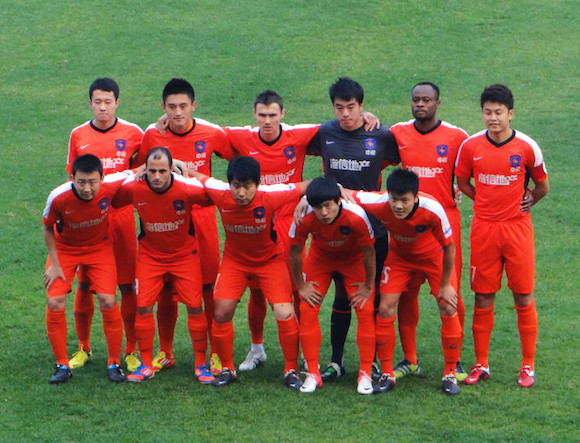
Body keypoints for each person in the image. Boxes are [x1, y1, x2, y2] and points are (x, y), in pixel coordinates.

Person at [224, 90, 380, 372]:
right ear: (254, 114)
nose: (267, 121)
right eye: (262, 115)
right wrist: (165, 122)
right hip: (257, 223)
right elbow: (202, 132)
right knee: (256, 291)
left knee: (299, 290)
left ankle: (301, 358)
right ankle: (257, 349)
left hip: (290, 222)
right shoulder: (240, 136)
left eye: (273, 115)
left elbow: (338, 124)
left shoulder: (299, 134)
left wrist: (363, 117)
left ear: (282, 114)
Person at [135, 78, 232, 375]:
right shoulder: (153, 134)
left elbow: (240, 157)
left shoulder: (211, 132)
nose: (177, 112)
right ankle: (165, 352)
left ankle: (214, 354)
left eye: (183, 106)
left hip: (201, 218)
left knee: (207, 287)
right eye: (172, 107)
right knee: (164, 288)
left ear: (193, 106)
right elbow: (138, 170)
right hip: (166, 219)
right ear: (163, 107)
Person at [305, 77, 399, 381]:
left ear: (361, 106)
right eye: (339, 107)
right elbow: (286, 144)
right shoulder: (324, 132)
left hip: (373, 230)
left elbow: (407, 160)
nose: (345, 113)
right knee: (342, 297)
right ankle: (336, 361)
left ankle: (371, 362)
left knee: (371, 295)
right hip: (333, 230)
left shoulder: (380, 135)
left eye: (351, 107)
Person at [455, 84, 549, 388]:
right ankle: (481, 364)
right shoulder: (470, 146)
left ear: (511, 113)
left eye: (498, 112)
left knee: (523, 295)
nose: (493, 118)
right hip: (484, 229)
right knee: (483, 295)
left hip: (517, 229)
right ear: (482, 113)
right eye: (488, 112)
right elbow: (462, 181)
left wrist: (530, 199)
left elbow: (542, 186)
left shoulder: (527, 147)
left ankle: (528, 366)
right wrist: (483, 200)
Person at [191, 156, 309, 388]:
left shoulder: (271, 195)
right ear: (229, 184)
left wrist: (307, 199)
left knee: (284, 313)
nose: (241, 193)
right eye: (236, 186)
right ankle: (228, 368)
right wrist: (176, 166)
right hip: (234, 262)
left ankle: (291, 370)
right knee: (221, 312)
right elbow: (198, 177)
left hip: (270, 262)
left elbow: (308, 184)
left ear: (257, 184)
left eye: (247, 186)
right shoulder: (220, 192)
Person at [347, 168, 463, 395]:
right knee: (385, 308)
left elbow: (449, 248)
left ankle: (450, 372)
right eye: (394, 199)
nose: (398, 206)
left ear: (416, 197)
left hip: (434, 257)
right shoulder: (378, 201)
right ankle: (387, 373)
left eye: (404, 200)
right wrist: (306, 199)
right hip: (400, 258)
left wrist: (446, 285)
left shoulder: (433, 209)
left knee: (448, 306)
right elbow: (345, 193)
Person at [389, 82, 469, 381]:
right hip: (408, 223)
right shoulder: (397, 133)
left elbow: (476, 170)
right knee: (406, 292)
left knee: (450, 293)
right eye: (415, 100)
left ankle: (455, 360)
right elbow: (372, 154)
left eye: (426, 100)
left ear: (438, 103)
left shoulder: (457, 137)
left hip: (444, 224)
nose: (420, 104)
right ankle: (410, 359)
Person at [113, 147, 214, 383]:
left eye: (162, 171)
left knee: (195, 307)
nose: (157, 177)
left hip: (185, 256)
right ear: (145, 170)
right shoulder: (134, 187)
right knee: (143, 307)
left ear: (171, 170)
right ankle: (146, 364)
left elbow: (214, 196)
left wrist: (191, 174)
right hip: (150, 256)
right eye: (151, 171)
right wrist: (132, 173)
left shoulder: (187, 188)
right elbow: (111, 196)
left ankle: (201, 364)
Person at [66, 78, 143, 372]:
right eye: (97, 102)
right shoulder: (78, 135)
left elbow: (144, 170)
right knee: (85, 283)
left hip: (121, 218)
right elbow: (72, 177)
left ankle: (131, 350)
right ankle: (84, 347)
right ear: (90, 103)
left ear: (117, 103)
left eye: (108, 102)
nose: (102, 107)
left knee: (126, 285)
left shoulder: (134, 133)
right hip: (89, 222)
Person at [43, 154, 130, 383]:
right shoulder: (58, 196)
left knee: (108, 300)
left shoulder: (112, 184)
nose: (87, 188)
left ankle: (114, 362)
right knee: (55, 301)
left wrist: (174, 165)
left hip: (99, 248)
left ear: (102, 178)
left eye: (92, 182)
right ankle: (62, 364)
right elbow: (48, 227)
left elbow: (139, 171)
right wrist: (54, 264)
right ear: (72, 177)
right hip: (65, 250)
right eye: (81, 182)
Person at [288, 177, 376, 394]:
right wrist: (300, 285)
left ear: (339, 201)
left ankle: (365, 372)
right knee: (307, 308)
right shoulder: (303, 216)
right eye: (318, 207)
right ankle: (312, 373)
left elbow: (369, 252)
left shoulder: (356, 215)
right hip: (321, 259)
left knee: (365, 309)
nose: (324, 212)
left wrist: (368, 285)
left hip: (353, 260)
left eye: (328, 206)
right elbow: (295, 252)